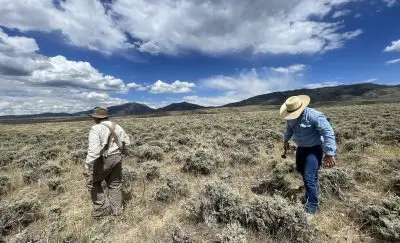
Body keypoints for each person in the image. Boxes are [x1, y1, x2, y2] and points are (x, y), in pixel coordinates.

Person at [280, 95, 337, 215]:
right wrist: (286, 140)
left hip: (314, 148)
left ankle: (312, 207)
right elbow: (289, 129)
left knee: (309, 177)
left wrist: (330, 153)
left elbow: (328, 132)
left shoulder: (314, 115)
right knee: (300, 170)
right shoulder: (290, 117)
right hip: (301, 148)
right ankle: (312, 190)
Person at [83, 107, 130, 218]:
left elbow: (94, 150)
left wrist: (87, 166)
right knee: (115, 185)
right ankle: (117, 213)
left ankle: (102, 209)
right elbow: (127, 142)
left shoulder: (96, 128)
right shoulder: (117, 126)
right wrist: (120, 151)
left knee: (92, 182)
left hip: (104, 160)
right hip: (117, 158)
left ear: (96, 117)